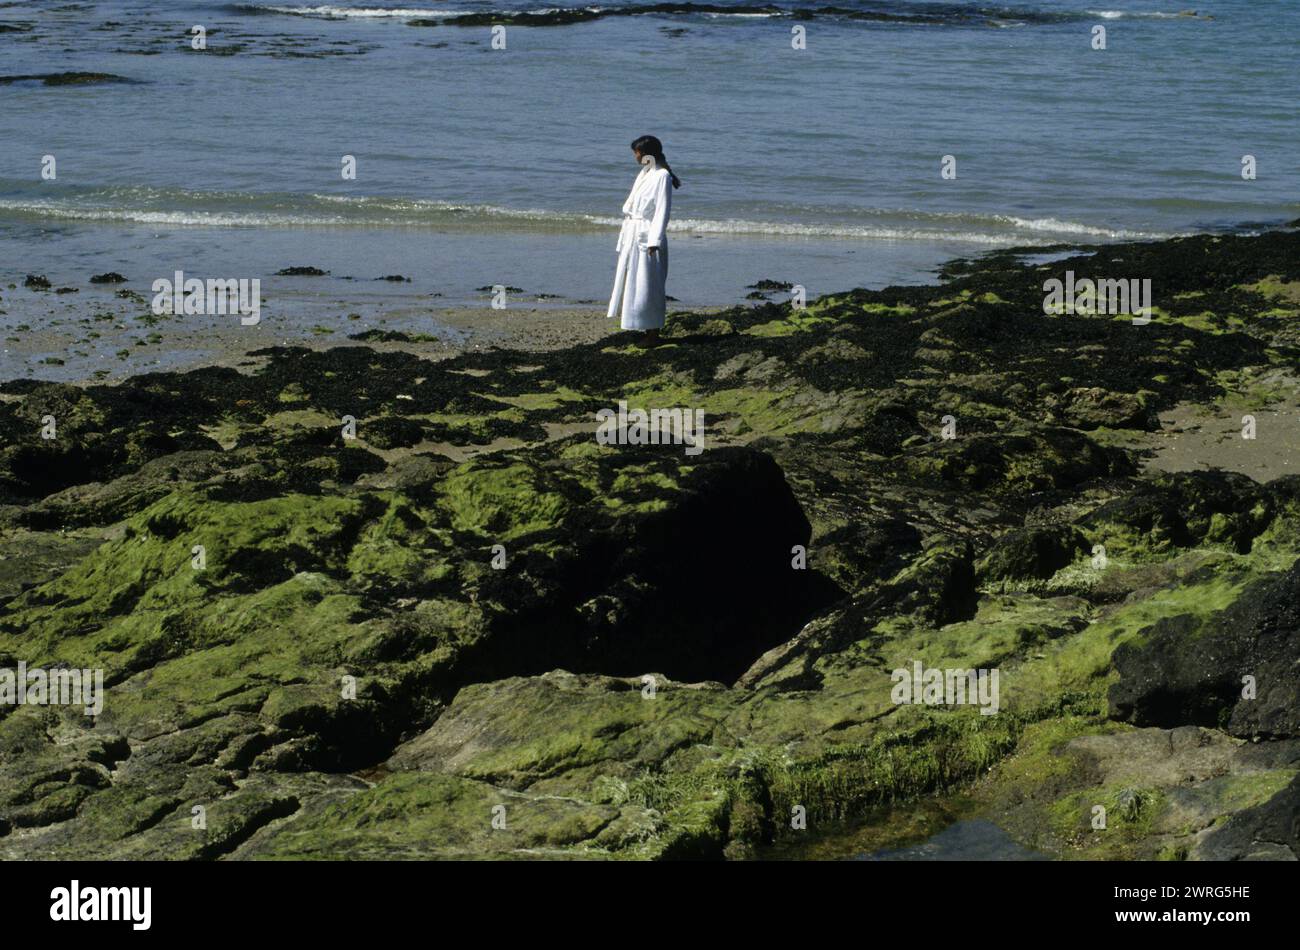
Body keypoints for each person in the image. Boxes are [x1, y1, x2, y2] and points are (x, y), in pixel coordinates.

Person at [607, 135, 681, 338]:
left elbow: (662, 211)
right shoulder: (646, 172)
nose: (635, 156)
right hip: (634, 232)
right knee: (634, 283)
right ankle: (639, 326)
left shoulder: (662, 176)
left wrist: (654, 241)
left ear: (647, 154)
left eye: (637, 152)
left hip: (647, 236)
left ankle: (653, 333)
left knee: (649, 285)